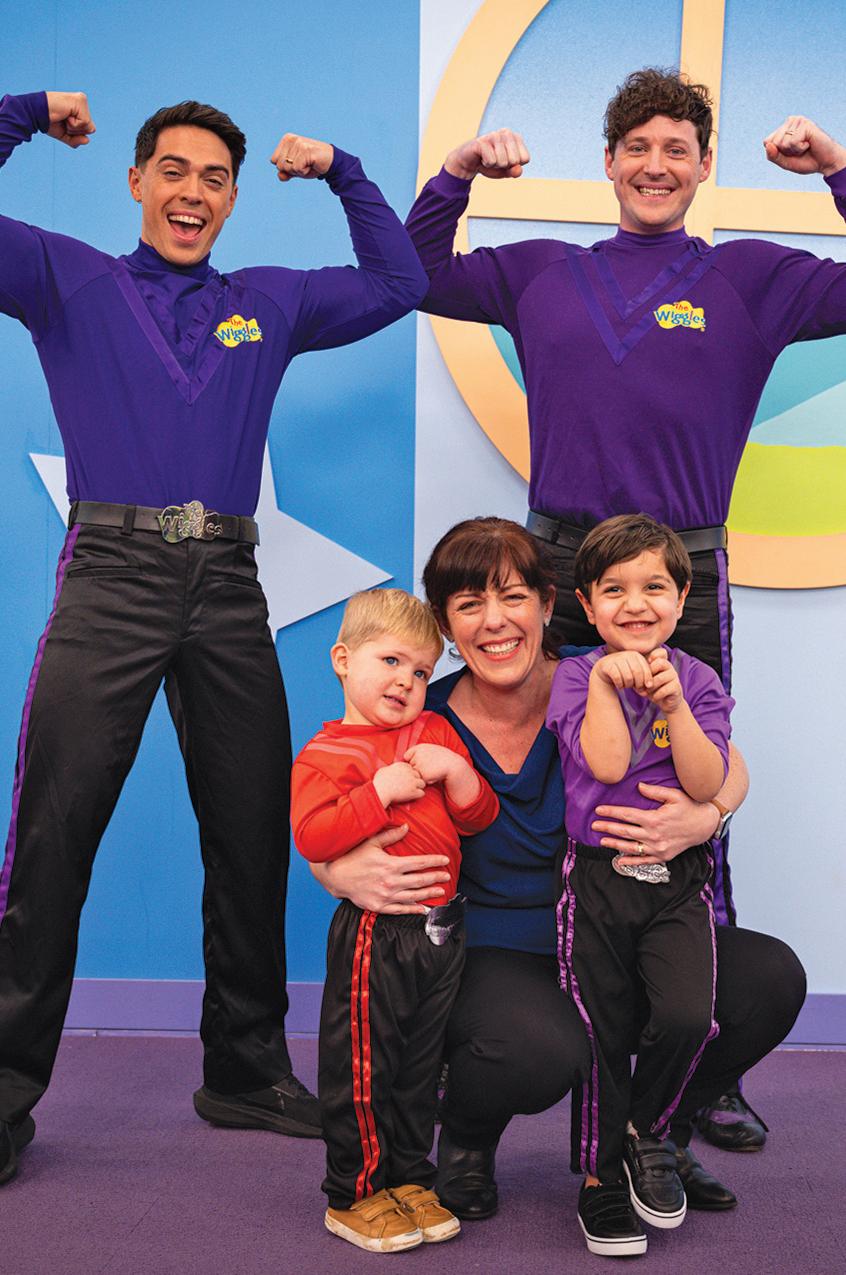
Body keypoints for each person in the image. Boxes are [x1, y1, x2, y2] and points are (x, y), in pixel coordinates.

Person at [404, 65, 842, 1143]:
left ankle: (697, 1068)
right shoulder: (542, 271)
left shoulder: (751, 276)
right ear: (608, 161)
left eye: (676, 149)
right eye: (637, 146)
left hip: (682, 577)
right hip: (557, 569)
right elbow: (411, 274)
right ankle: (531, 1017)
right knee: (541, 784)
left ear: (703, 166)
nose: (655, 164)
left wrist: (836, 169)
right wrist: (457, 173)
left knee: (688, 798)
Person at [0, 89, 427, 1187]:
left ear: (233, 199)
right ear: (136, 182)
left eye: (215, 178)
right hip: (112, 575)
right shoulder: (66, 278)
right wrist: (24, 112)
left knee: (250, 829)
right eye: (174, 171)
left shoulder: (266, 302)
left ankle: (242, 1069)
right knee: (54, 834)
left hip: (230, 582)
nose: (193, 192)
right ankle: (2, 1092)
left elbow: (401, 283)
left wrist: (341, 169)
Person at [311, 517, 805, 1244]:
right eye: (469, 604)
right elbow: (335, 794)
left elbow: (726, 757)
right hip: (497, 953)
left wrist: (708, 816)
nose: (495, 621)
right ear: (446, 625)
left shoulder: (604, 668)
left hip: (622, 929)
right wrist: (332, 869)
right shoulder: (422, 712)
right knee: (541, 1046)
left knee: (768, 979)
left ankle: (655, 1136)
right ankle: (468, 1137)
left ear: (548, 604)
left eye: (513, 596)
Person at [546, 514, 734, 1256]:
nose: (635, 603)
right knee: (599, 1030)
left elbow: (707, 782)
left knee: (687, 1014)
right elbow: (608, 763)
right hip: (595, 880)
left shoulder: (698, 680)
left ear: (682, 598)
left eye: (654, 586)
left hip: (677, 883)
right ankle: (598, 1178)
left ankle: (644, 1131)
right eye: (614, 589)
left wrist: (675, 705)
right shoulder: (574, 675)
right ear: (588, 605)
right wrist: (603, 683)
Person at [291, 588, 498, 1253]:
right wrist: (377, 793)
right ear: (343, 660)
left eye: (421, 671)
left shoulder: (435, 732)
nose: (407, 681)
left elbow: (478, 816)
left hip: (442, 932)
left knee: (420, 1066)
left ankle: (409, 1178)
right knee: (363, 1067)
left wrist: (457, 771)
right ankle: (354, 1192)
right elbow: (313, 836)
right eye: (391, 661)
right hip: (375, 935)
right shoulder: (324, 755)